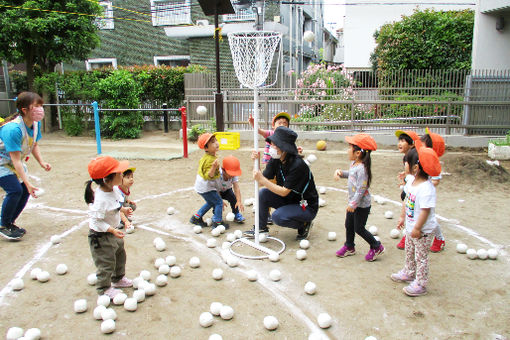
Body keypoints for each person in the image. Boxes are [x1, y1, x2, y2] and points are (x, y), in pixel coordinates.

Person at [244, 126, 318, 240]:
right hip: (290, 200)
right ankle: (261, 228)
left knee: (278, 217)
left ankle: (304, 224)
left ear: (284, 148)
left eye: (274, 144)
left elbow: (283, 192)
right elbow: (260, 182)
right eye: (271, 143)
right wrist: (256, 162)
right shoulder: (276, 159)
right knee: (263, 193)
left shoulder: (298, 165)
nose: (271, 147)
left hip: (305, 206)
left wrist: (262, 179)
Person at [0, 92, 52, 241]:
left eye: (41, 105)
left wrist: (41, 162)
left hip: (10, 163)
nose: (40, 109)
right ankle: (3, 225)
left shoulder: (35, 124)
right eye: (36, 106)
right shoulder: (13, 129)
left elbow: (33, 143)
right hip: (3, 163)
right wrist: (28, 183)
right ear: (24, 110)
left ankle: (9, 222)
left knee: (23, 192)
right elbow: (16, 160)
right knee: (15, 190)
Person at [391, 146, 441, 297]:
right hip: (411, 226)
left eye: (406, 162)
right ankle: (409, 272)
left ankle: (421, 283)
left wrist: (418, 228)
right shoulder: (411, 182)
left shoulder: (426, 188)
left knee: (421, 257)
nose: (404, 164)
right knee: (409, 251)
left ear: (416, 167)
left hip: (423, 231)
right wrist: (402, 217)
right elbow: (406, 201)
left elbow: (425, 211)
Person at [84, 156, 133, 298]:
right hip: (100, 237)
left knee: (119, 254)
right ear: (106, 179)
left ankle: (117, 279)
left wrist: (123, 210)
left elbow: (116, 204)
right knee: (106, 262)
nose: (121, 174)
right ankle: (103, 288)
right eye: (118, 173)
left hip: (112, 232)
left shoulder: (115, 189)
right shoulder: (99, 200)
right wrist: (112, 230)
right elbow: (97, 222)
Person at [334, 133, 385, 261]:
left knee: (359, 228)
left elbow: (361, 189)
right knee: (348, 224)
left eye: (350, 147)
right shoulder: (354, 164)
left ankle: (376, 246)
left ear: (358, 153)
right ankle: (349, 246)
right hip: (353, 203)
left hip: (361, 205)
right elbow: (351, 175)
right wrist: (341, 173)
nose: (347, 150)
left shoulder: (362, 169)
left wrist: (353, 204)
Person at [189, 133, 229, 229]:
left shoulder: (208, 156)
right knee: (218, 202)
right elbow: (209, 176)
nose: (216, 143)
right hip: (206, 187)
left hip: (202, 186)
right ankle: (217, 222)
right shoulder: (210, 160)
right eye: (212, 142)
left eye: (216, 140)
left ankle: (196, 217)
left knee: (211, 202)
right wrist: (213, 167)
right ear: (206, 148)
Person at [419, 128, 446, 252]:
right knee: (418, 215)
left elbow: (436, 180)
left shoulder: (433, 164)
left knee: (430, 218)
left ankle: (439, 239)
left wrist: (425, 185)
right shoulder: (422, 160)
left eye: (423, 145)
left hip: (427, 195)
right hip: (420, 192)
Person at [394, 130, 419, 250]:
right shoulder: (406, 157)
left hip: (415, 189)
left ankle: (407, 237)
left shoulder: (414, 157)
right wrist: (405, 176)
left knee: (414, 211)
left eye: (403, 141)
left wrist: (407, 180)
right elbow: (410, 173)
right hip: (411, 186)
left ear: (412, 144)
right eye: (399, 140)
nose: (400, 143)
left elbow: (414, 173)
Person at [217, 155, 245, 223]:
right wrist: (220, 200)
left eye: (234, 174)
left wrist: (239, 201)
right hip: (217, 191)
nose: (232, 176)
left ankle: (236, 214)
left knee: (233, 198)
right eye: (230, 174)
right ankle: (217, 216)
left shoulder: (233, 175)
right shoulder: (218, 174)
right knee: (216, 203)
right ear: (223, 170)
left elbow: (236, 187)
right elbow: (215, 188)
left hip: (227, 190)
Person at [115, 167, 136, 232]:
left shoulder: (126, 187)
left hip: (117, 206)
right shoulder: (118, 191)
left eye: (132, 177)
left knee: (131, 206)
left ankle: (122, 219)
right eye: (128, 177)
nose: (131, 179)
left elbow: (125, 197)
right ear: (121, 179)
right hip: (111, 210)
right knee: (125, 207)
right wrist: (126, 221)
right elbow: (118, 209)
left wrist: (128, 201)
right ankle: (118, 221)